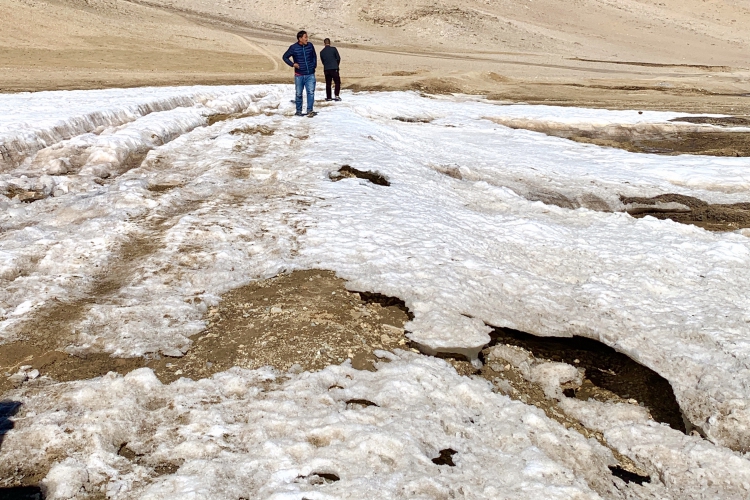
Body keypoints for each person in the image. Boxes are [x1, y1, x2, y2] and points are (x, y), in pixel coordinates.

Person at [282, 31, 318, 117]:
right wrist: (293, 64)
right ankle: (298, 111)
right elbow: (285, 57)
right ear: (300, 38)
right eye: (305, 37)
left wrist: (313, 66)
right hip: (299, 75)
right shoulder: (293, 47)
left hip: (310, 74)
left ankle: (310, 110)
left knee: (311, 92)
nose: (307, 39)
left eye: (307, 37)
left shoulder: (310, 45)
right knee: (298, 93)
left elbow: (314, 56)